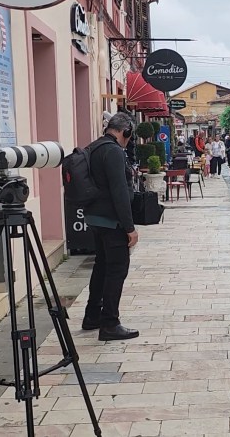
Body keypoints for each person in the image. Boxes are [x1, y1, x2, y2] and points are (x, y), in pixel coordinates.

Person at [83, 112, 140, 341]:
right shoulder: (113, 151)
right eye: (130, 135)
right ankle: (110, 323)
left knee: (102, 266)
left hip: (95, 218)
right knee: (117, 269)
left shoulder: (93, 147)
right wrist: (129, 227)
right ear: (125, 131)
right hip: (111, 220)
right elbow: (119, 191)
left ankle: (92, 315)